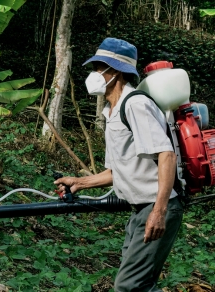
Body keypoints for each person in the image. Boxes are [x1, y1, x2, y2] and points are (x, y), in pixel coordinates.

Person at [53, 38, 184, 292]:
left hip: (155, 206)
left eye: (98, 68)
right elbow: (117, 171)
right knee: (138, 284)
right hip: (138, 210)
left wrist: (159, 211)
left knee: (128, 286)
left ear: (115, 72)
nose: (93, 75)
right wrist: (79, 182)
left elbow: (167, 155)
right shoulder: (111, 113)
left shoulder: (135, 104)